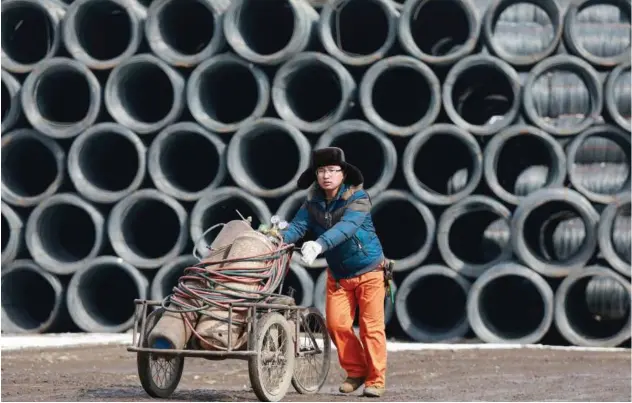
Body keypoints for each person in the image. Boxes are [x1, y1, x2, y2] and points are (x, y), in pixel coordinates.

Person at [282, 147, 388, 398]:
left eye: (332, 170)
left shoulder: (358, 198)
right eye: (321, 171)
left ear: (343, 174)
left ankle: (376, 379)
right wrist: (275, 240)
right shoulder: (312, 204)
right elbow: (297, 227)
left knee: (371, 327)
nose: (326, 175)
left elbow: (347, 227)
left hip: (370, 270)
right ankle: (356, 371)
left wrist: (319, 244)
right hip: (339, 275)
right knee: (336, 324)